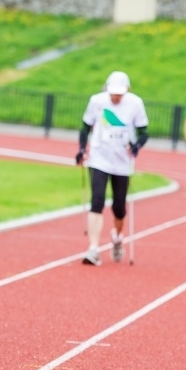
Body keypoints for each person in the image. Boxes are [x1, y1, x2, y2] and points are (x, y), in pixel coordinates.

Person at [75, 71, 149, 266]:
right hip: (99, 157)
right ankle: (93, 249)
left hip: (122, 162)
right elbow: (85, 127)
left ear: (127, 91)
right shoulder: (97, 101)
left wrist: (136, 146)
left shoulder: (135, 104)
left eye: (120, 94)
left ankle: (117, 236)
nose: (116, 97)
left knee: (118, 207)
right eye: (113, 93)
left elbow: (144, 132)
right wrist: (82, 149)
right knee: (97, 200)